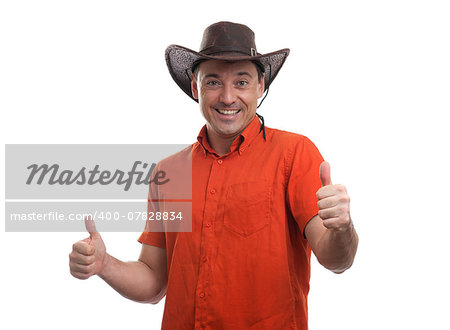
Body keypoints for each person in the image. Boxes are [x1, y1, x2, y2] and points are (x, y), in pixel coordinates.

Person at [69, 21, 359, 329]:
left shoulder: (294, 153)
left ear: (261, 86)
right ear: (195, 87)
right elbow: (154, 282)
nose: (228, 97)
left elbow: (336, 260)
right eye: (213, 82)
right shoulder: (169, 172)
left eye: (242, 82)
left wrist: (342, 228)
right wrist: (104, 265)